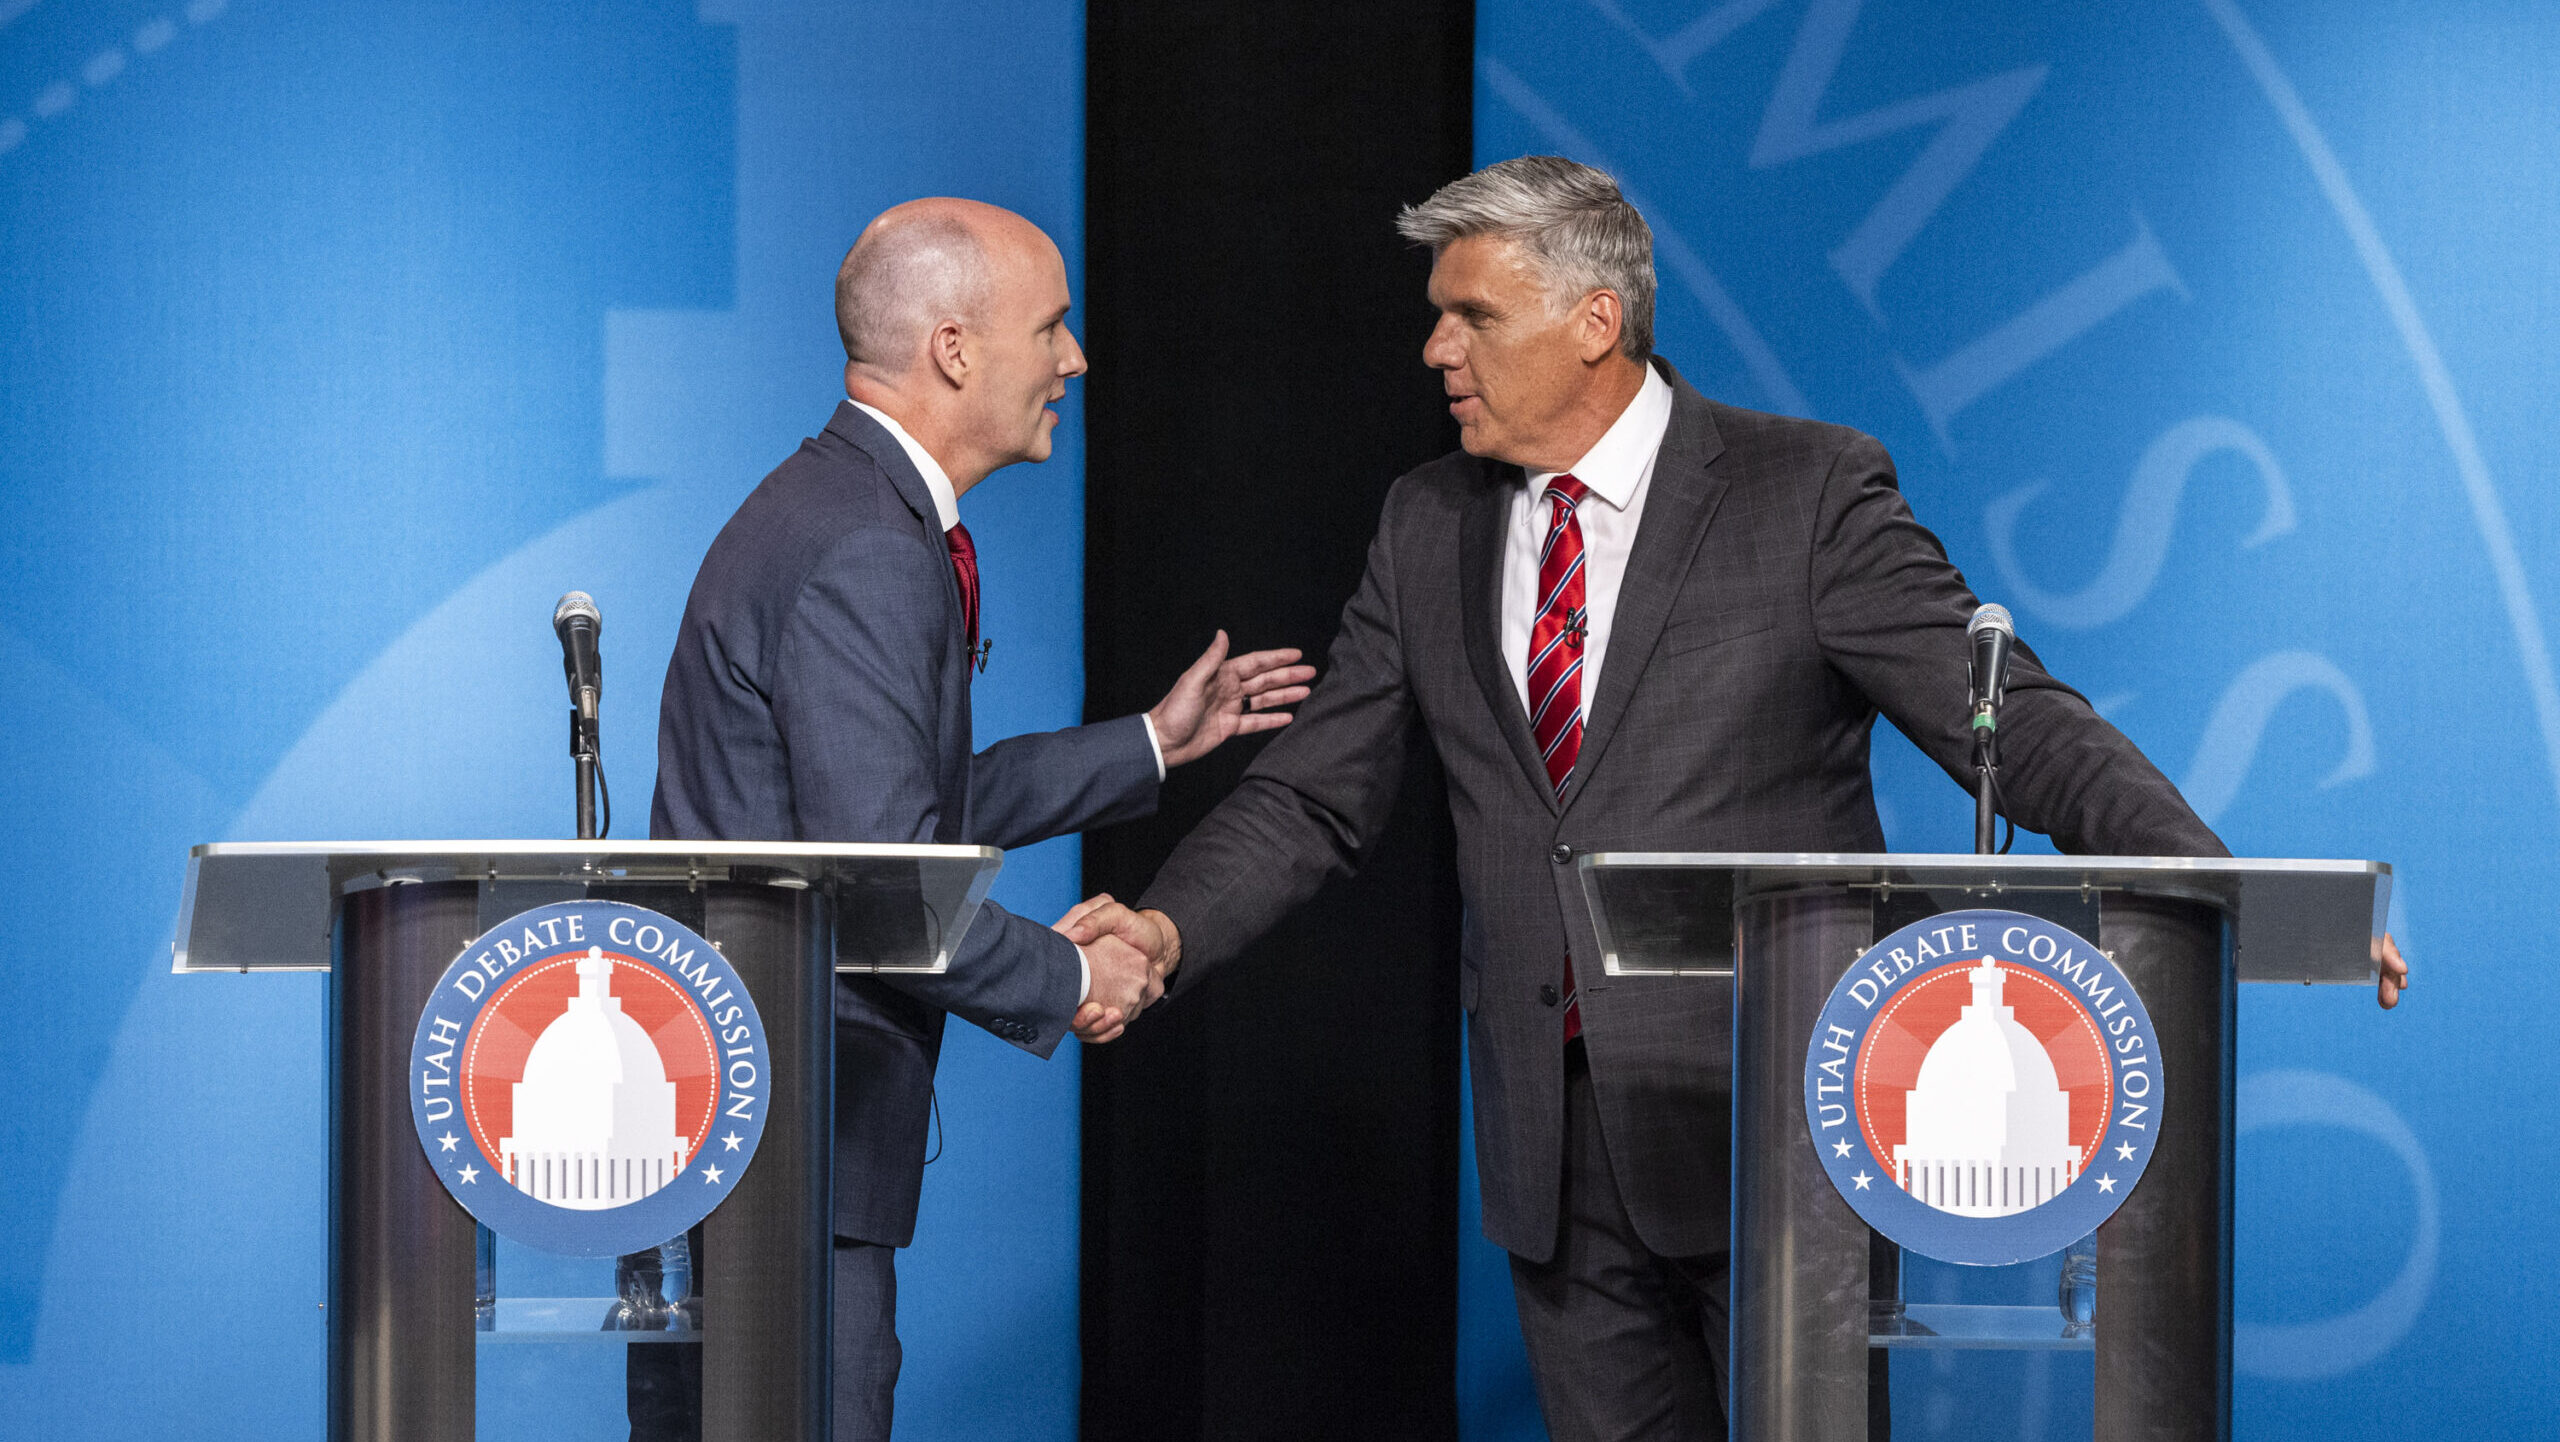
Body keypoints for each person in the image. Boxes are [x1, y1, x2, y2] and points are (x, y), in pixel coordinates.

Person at [1065, 156, 2411, 1440]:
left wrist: (2221, 886)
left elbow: (2015, 727)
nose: (1437, 351)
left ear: (1596, 321)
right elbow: (1313, 795)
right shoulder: (1429, 521)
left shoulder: (1807, 492)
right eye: (1437, 319)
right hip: (1554, 1142)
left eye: (1471, 314)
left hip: (1777, 1122)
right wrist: (1164, 930)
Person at [650, 197, 1314, 1439]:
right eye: (1052, 327)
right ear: (955, 349)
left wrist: (1153, 743)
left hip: (757, 1144)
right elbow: (881, 874)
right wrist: (1071, 970)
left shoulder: (840, 509)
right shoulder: (863, 546)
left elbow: (894, 803)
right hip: (785, 1149)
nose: (1073, 359)